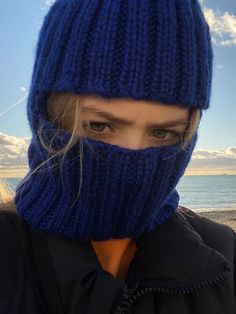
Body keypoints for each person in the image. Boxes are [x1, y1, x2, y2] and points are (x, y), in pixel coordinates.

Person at [0, 0, 235, 313]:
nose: (133, 158)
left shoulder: (223, 254)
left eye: (163, 133)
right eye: (100, 125)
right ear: (49, 114)